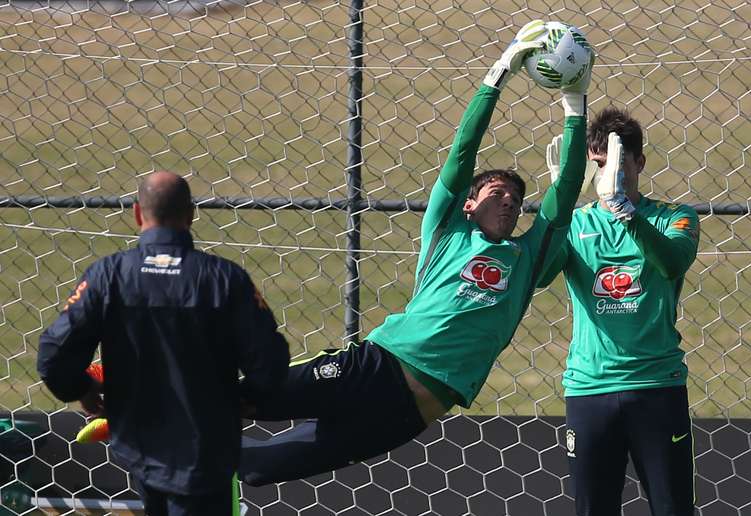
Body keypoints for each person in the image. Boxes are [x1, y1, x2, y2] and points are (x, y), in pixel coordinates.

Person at [239, 20, 595, 486]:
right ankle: (132, 397)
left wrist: (575, 104)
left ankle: (163, 441)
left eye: (516, 196)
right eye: (496, 190)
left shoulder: (527, 259)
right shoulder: (448, 229)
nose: (508, 198)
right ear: (467, 204)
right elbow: (464, 149)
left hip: (409, 414)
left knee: (262, 467)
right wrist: (499, 73)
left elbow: (566, 191)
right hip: (377, 368)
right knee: (249, 399)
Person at [37, 171, 290, 516]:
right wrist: (246, 400)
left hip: (140, 448)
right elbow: (270, 360)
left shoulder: (108, 276)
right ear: (191, 215)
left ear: (138, 213)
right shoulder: (224, 279)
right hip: (207, 449)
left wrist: (82, 387)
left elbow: (54, 356)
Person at [537, 106, 700, 516]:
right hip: (590, 390)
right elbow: (538, 276)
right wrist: (557, 205)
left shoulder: (674, 217)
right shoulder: (574, 224)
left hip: (657, 387)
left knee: (673, 508)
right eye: (598, 166)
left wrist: (627, 215)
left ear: (640, 163)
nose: (606, 176)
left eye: (616, 164)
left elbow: (672, 263)